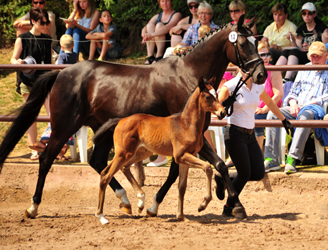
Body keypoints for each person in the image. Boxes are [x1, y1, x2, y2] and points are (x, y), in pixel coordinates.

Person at [215, 67, 292, 217]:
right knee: (244, 174)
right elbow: (215, 109)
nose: (248, 70)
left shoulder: (257, 86)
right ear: (239, 68)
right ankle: (228, 207)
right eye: (245, 67)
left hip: (250, 135)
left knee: (258, 172)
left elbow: (270, 103)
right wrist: (224, 105)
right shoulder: (230, 86)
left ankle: (225, 177)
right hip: (234, 133)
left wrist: (284, 120)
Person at [264, 41, 328, 174]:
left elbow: (326, 97)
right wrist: (293, 103)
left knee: (306, 115)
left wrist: (304, 106)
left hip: (316, 109)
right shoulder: (305, 68)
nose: (314, 59)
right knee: (273, 114)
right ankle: (272, 158)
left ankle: (293, 157)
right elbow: (293, 91)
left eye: (318, 56)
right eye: (312, 56)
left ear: (326, 55)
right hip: (297, 106)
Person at [11, 7, 53, 160]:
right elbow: (13, 59)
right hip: (28, 82)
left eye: (47, 22)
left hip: (45, 82)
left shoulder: (47, 38)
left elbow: (51, 61)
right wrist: (18, 62)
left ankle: (50, 147)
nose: (46, 25)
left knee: (52, 115)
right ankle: (34, 149)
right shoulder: (22, 39)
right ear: (33, 22)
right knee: (31, 117)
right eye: (43, 22)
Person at [30, 34, 79, 160]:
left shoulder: (62, 57)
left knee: (57, 119)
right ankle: (60, 149)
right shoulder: (75, 56)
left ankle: (45, 142)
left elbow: (59, 71)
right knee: (67, 120)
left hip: (64, 90)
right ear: (73, 46)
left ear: (61, 47)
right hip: (74, 90)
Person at [276, 2, 328, 83]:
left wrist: (311, 48)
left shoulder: (322, 28)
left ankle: (286, 79)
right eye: (304, 13)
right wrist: (292, 40)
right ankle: (273, 75)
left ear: (314, 14)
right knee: (286, 52)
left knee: (294, 52)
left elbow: (326, 47)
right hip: (303, 55)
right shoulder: (301, 29)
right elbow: (297, 47)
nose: (306, 16)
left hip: (315, 56)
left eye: (309, 13)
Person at [255, 41, 283, 151]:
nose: (266, 58)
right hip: (254, 108)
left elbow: (278, 94)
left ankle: (257, 153)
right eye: (262, 55)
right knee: (233, 118)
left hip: (271, 108)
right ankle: (235, 156)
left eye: (267, 54)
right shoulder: (252, 71)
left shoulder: (273, 70)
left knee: (255, 118)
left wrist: (264, 109)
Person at [141, 0, 182, 64]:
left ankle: (159, 56)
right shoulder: (157, 16)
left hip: (168, 45)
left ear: (171, 2)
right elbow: (145, 28)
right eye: (162, 1)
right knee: (150, 25)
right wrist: (144, 35)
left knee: (159, 25)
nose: (165, 3)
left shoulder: (177, 14)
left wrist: (151, 35)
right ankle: (150, 57)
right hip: (156, 44)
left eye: (167, 1)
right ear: (159, 3)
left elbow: (168, 27)